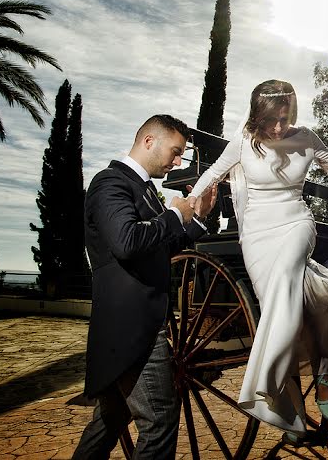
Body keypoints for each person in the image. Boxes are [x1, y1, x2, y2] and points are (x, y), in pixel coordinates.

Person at [187, 79, 328, 444]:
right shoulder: (243, 142)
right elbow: (212, 174)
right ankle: (294, 419)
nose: (279, 127)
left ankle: (263, 381)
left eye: (284, 118)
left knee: (285, 282)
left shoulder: (307, 138)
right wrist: (184, 207)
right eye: (271, 119)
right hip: (257, 237)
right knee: (288, 313)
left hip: (296, 224)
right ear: (257, 114)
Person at [73, 114, 218, 459]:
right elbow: (126, 242)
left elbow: (160, 250)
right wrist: (173, 216)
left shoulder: (144, 192)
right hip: (131, 328)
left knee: (111, 417)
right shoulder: (110, 183)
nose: (178, 161)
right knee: (159, 421)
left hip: (135, 325)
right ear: (149, 141)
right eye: (176, 151)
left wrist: (195, 219)